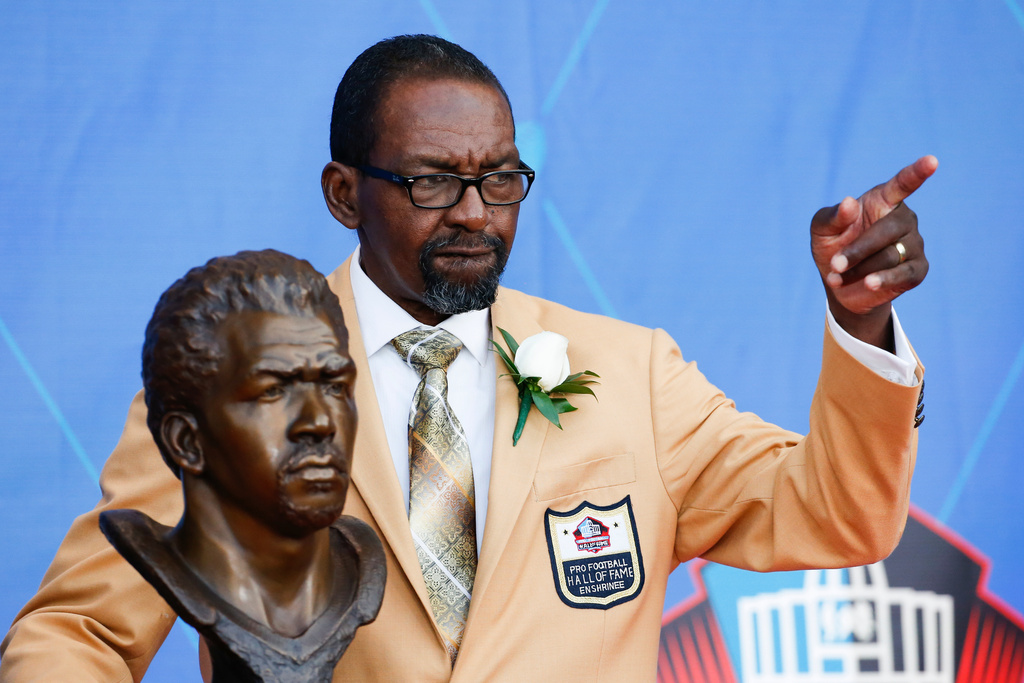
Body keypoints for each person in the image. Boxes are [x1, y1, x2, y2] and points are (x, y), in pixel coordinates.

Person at [0, 34, 934, 682]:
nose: (477, 213)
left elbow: (839, 515)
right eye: (434, 180)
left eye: (499, 179)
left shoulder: (630, 372)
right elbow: (79, 629)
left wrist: (860, 327)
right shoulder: (232, 377)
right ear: (343, 192)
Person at [98, 249, 385, 681]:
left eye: (334, 386)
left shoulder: (359, 559)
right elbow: (77, 632)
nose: (320, 423)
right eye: (273, 391)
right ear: (187, 440)